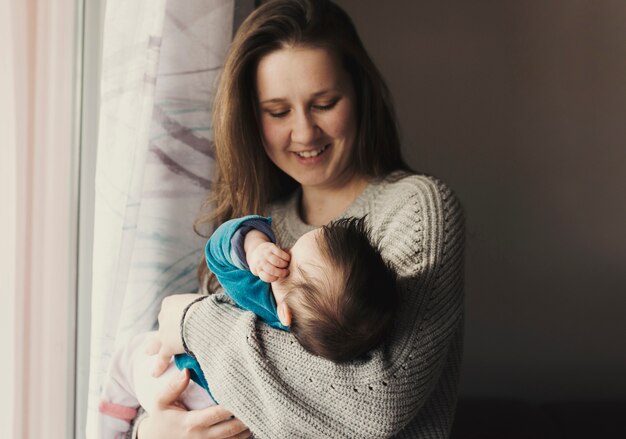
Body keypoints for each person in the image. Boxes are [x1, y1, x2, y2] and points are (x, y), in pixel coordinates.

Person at [130, 0, 465, 438]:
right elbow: (182, 373)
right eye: (278, 112)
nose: (305, 132)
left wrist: (195, 322)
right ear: (252, 118)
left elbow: (377, 401)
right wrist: (154, 431)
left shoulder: (417, 208)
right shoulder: (255, 226)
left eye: (324, 103)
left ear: (359, 95)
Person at [99, 214, 396, 438]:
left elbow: (218, 253)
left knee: (129, 355)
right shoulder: (332, 345)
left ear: (285, 313)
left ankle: (110, 426)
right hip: (226, 419)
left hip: (186, 380)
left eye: (289, 254)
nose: (283, 251)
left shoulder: (263, 297)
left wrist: (254, 247)